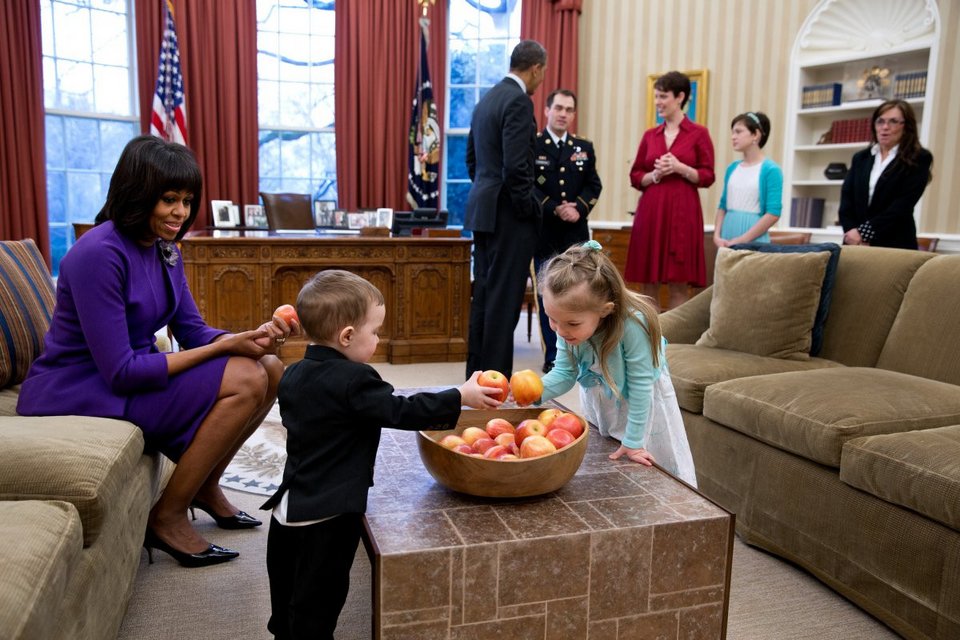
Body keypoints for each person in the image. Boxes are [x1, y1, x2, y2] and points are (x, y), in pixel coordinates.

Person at [16, 135, 295, 568]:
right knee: (247, 378)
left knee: (271, 366)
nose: (180, 213)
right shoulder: (98, 254)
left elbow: (191, 329)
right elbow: (122, 371)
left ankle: (205, 485)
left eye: (186, 200)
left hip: (130, 372)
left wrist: (246, 339)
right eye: (168, 199)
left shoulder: (165, 249)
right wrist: (226, 353)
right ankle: (166, 517)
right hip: (79, 385)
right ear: (138, 193)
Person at [261, 270, 502, 640]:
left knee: (287, 595)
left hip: (289, 509)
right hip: (329, 515)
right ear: (346, 336)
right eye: (374, 331)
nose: (378, 339)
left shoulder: (293, 374)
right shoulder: (355, 381)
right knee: (319, 603)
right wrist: (459, 396)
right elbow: (400, 410)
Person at [530, 241, 696, 486]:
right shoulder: (565, 323)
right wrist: (530, 392)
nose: (560, 330)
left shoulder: (634, 325)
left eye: (572, 324)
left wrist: (634, 442)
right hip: (605, 401)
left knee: (654, 470)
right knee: (610, 459)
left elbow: (642, 388)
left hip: (642, 407)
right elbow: (565, 374)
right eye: (551, 319)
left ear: (605, 310)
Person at [464, 39, 547, 378]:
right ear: (536, 68)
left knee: (484, 296)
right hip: (509, 215)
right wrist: (529, 208)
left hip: (483, 210)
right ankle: (495, 383)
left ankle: (477, 376)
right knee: (504, 301)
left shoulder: (486, 100)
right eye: (542, 74)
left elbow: (473, 159)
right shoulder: (518, 101)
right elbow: (516, 168)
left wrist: (488, 192)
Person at [624, 70, 715, 310]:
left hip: (683, 214)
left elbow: (707, 175)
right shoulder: (649, 135)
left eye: (663, 96)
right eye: (656, 96)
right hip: (652, 210)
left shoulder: (699, 134)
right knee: (649, 281)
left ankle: (674, 342)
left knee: (678, 282)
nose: (658, 102)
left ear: (680, 97)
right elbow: (635, 176)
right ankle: (650, 339)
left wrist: (680, 167)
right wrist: (654, 175)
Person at [533, 88, 603, 374]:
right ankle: (554, 357)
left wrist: (580, 208)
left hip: (576, 231)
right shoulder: (534, 144)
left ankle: (584, 351)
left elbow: (594, 185)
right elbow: (529, 186)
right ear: (547, 110)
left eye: (569, 110)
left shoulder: (583, 147)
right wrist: (554, 208)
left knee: (582, 289)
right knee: (549, 292)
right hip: (545, 231)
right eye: (558, 108)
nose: (563, 114)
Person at [839, 99, 933, 249]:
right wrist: (852, 234)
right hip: (855, 244)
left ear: (906, 127)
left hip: (894, 244)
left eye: (893, 122)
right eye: (880, 121)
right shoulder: (861, 158)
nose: (885, 127)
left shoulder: (919, 158)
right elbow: (846, 199)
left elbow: (901, 206)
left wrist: (864, 233)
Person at [713, 111, 782, 247]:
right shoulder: (732, 168)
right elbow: (722, 206)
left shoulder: (771, 170)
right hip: (726, 237)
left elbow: (773, 213)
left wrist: (743, 239)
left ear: (755, 135)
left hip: (753, 241)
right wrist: (716, 235)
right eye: (732, 132)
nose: (733, 137)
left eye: (738, 132)